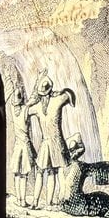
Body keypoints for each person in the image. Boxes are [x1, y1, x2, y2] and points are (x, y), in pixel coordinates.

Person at [27, 72, 76, 210]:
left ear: (40, 93)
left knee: (42, 172)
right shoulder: (58, 99)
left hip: (48, 142)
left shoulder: (37, 106)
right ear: (50, 90)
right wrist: (60, 92)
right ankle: (46, 202)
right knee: (52, 172)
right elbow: (71, 95)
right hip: (55, 142)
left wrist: (35, 96)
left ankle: (37, 202)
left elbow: (26, 110)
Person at [59, 133, 109, 217]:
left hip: (62, 205)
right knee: (104, 197)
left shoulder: (60, 167)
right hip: (75, 207)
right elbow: (95, 168)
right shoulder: (79, 166)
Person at [9, 85, 38, 208]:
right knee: (24, 174)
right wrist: (36, 84)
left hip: (17, 145)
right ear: (21, 99)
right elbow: (33, 98)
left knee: (17, 173)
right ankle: (23, 201)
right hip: (25, 144)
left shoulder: (11, 109)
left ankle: (19, 199)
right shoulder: (25, 110)